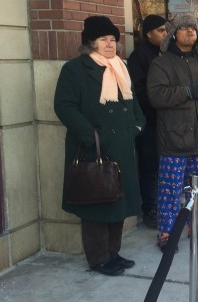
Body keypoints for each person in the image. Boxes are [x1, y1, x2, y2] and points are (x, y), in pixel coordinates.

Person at [54, 15, 146, 276]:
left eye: (113, 40)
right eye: (103, 39)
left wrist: (138, 125)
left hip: (122, 147)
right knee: (97, 203)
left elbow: (133, 102)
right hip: (93, 149)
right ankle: (98, 259)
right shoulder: (75, 69)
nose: (110, 44)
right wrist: (91, 135)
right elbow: (64, 106)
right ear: (90, 43)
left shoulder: (120, 67)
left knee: (118, 202)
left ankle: (113, 253)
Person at [147, 14, 198, 250]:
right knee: (170, 191)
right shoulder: (161, 63)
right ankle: (167, 234)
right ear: (173, 34)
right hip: (174, 139)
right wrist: (189, 91)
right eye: (183, 28)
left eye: (192, 28)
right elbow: (156, 96)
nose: (189, 31)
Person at [127, 14, 167, 228]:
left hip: (166, 122)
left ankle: (162, 204)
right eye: (161, 30)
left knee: (164, 166)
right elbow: (139, 91)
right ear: (148, 33)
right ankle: (150, 208)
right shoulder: (139, 57)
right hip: (149, 121)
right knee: (150, 166)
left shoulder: (165, 54)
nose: (165, 33)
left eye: (166, 29)